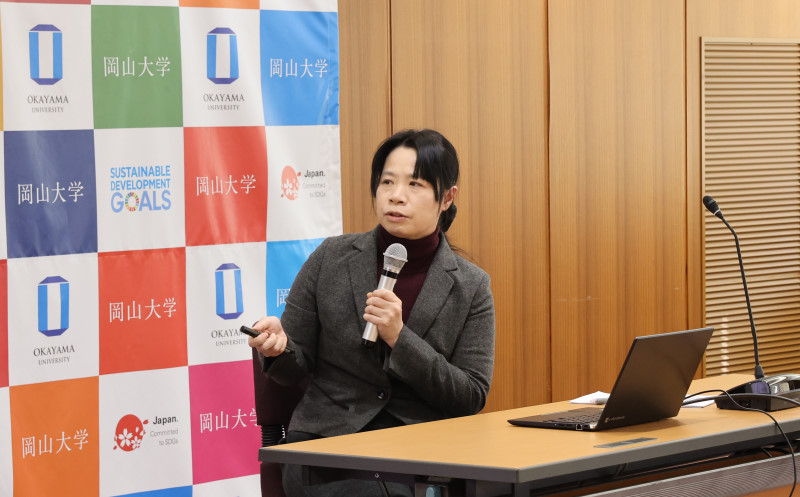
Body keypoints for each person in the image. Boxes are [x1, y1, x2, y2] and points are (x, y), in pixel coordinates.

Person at [249, 128, 496, 497]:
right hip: (327, 447)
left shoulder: (471, 286)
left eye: (414, 184)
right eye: (387, 182)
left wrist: (400, 338)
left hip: (421, 453)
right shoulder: (330, 258)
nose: (396, 195)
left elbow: (470, 395)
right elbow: (293, 367)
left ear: (447, 197)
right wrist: (278, 348)